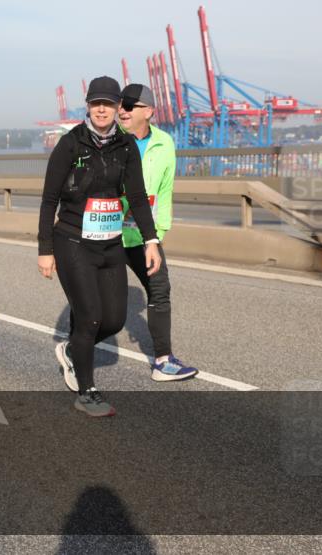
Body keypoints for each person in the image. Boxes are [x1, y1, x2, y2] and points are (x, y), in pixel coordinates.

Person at [37, 76, 161, 417]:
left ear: (118, 107)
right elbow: (49, 200)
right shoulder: (70, 145)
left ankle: (73, 348)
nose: (102, 109)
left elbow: (136, 197)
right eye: (96, 103)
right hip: (73, 241)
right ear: (88, 106)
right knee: (90, 316)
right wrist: (44, 249)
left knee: (115, 320)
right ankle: (87, 391)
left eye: (109, 103)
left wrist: (151, 241)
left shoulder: (125, 147)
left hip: (110, 244)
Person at [117, 84, 197, 381]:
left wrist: (158, 232)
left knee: (160, 290)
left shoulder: (165, 143)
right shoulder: (110, 141)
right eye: (120, 104)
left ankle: (163, 360)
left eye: (130, 105)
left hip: (143, 236)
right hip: (109, 235)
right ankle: (77, 348)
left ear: (149, 111)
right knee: (99, 301)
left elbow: (165, 191)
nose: (121, 110)